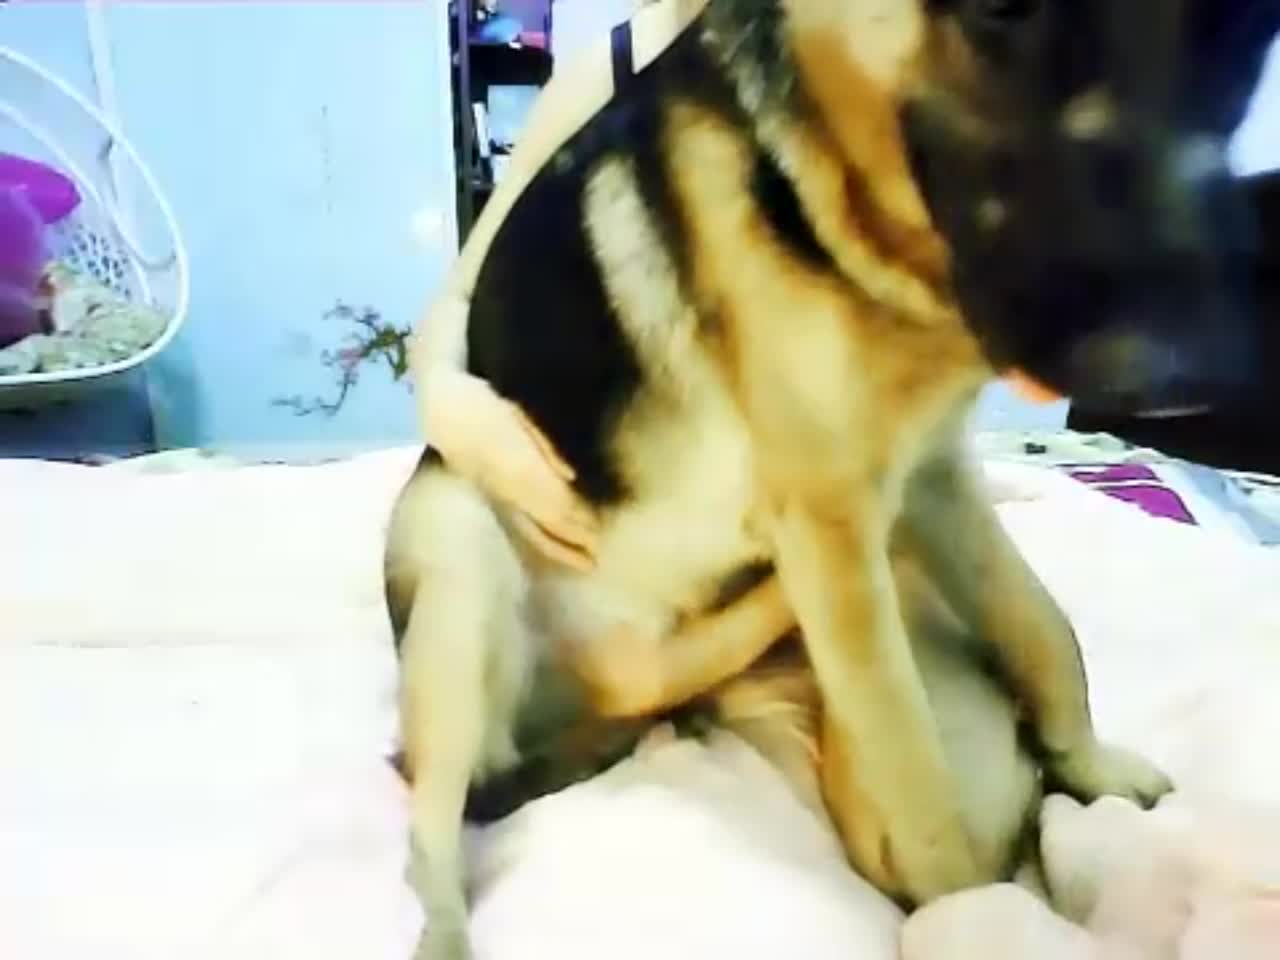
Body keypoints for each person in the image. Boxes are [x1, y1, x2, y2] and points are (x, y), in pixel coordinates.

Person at [413, 0, 703, 572]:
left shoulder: (844, 63)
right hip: (607, 508)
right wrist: (450, 405)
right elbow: (458, 295)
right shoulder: (604, 73)